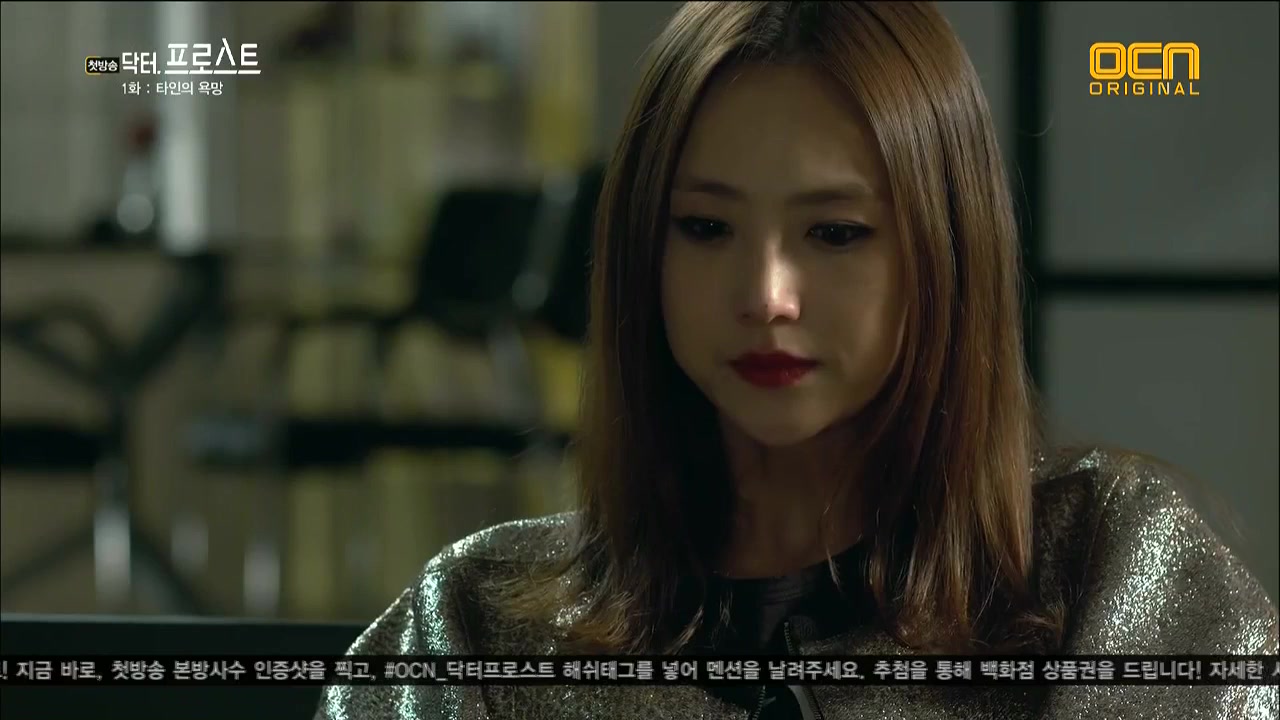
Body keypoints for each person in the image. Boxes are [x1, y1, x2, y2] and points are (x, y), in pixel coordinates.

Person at [317, 2, 1278, 718]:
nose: (767, 295)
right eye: (705, 228)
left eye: (835, 232)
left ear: (945, 254)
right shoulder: (476, 624)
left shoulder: (1111, 571)